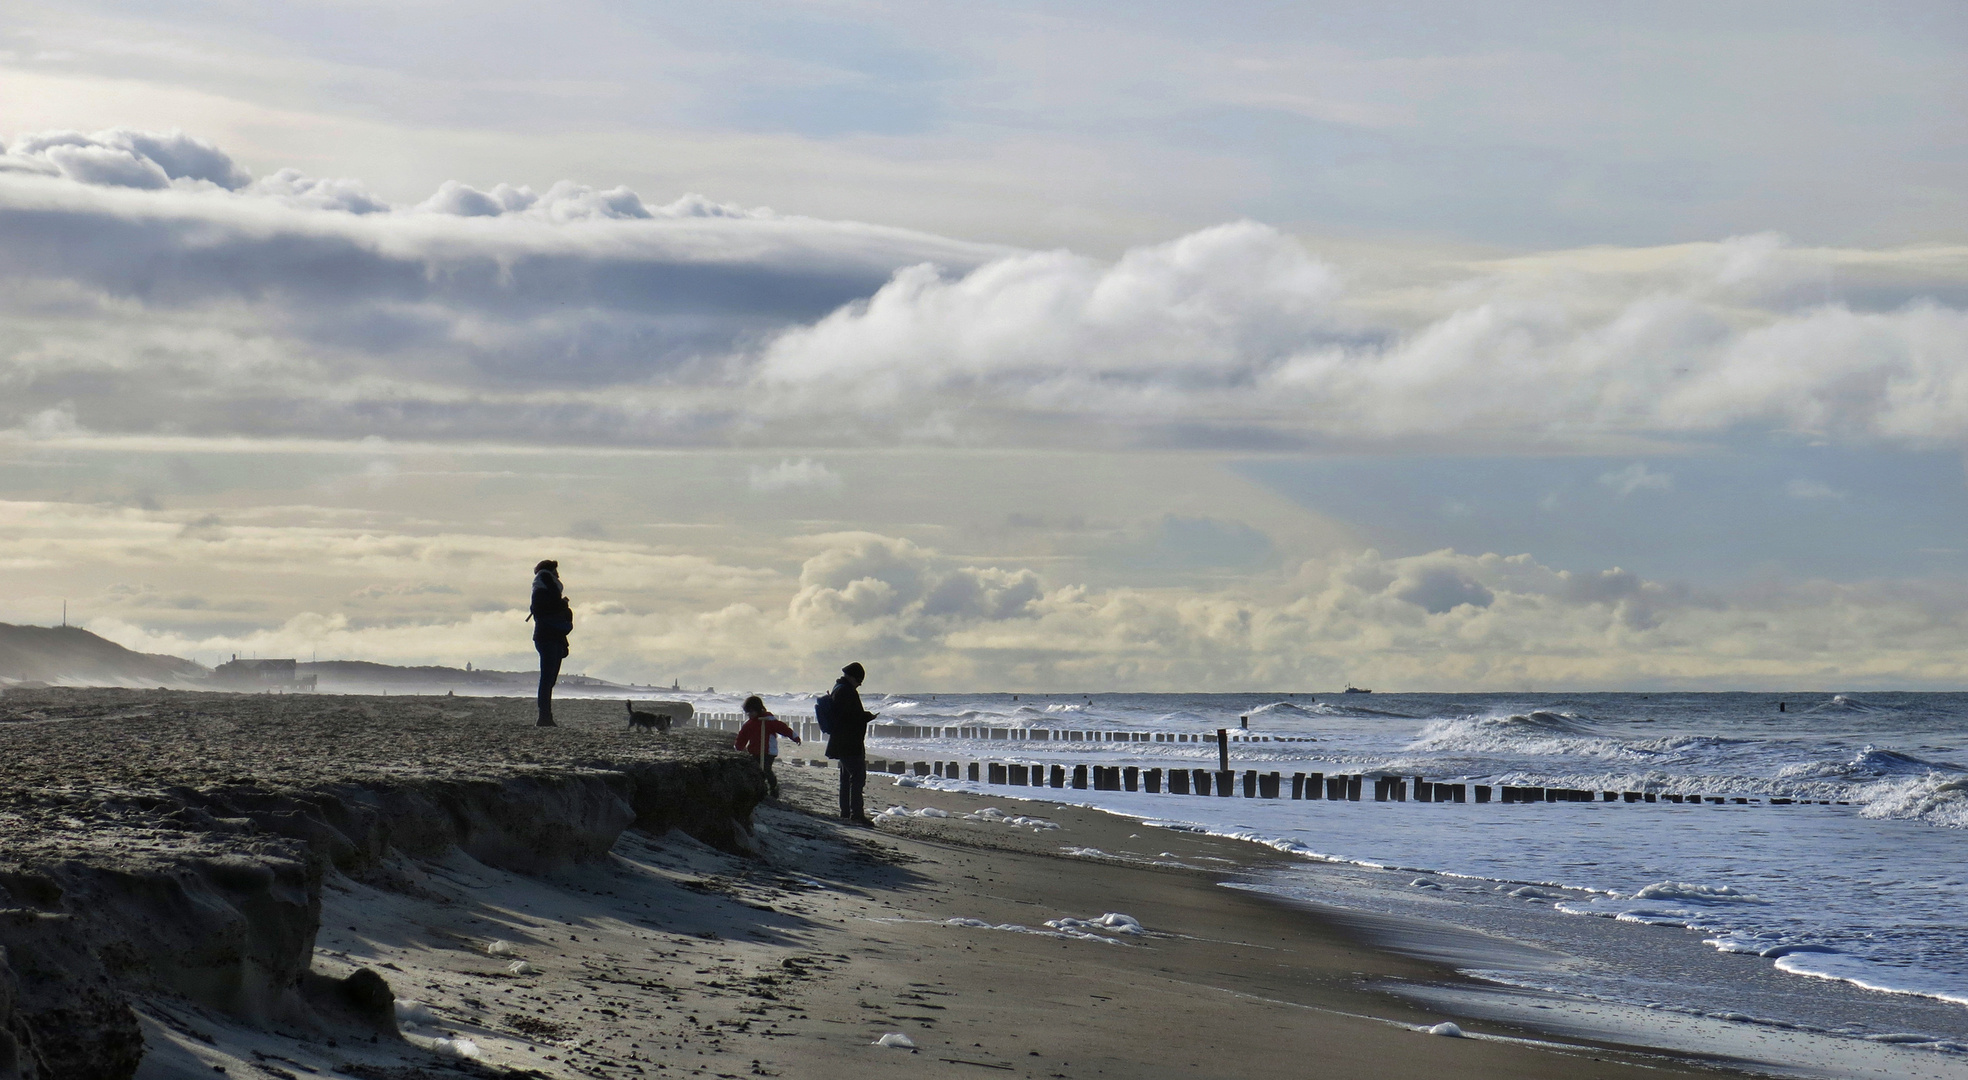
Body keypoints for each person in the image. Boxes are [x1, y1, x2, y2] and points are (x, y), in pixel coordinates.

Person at [823, 662, 877, 824]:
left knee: (846, 778)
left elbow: (845, 715)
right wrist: (866, 716)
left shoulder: (839, 688)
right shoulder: (846, 691)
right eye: (859, 681)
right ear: (853, 677)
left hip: (843, 741)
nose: (859, 685)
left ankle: (846, 812)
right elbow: (849, 717)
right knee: (857, 777)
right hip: (849, 742)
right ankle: (856, 814)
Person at [528, 560, 572, 727]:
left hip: (549, 637)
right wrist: (563, 606)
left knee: (549, 679)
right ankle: (544, 716)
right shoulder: (544, 589)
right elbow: (547, 610)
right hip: (548, 637)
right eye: (556, 571)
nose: (558, 575)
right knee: (547, 679)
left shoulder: (543, 589)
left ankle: (545, 715)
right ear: (550, 572)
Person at [735, 695, 801, 799]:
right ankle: (759, 789)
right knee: (755, 770)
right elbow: (742, 736)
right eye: (748, 712)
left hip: (769, 751)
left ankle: (773, 788)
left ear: (758, 709)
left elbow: (783, 729)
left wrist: (795, 737)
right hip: (754, 751)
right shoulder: (749, 724)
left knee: (766, 769)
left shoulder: (769, 721)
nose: (749, 714)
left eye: (751, 712)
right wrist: (738, 747)